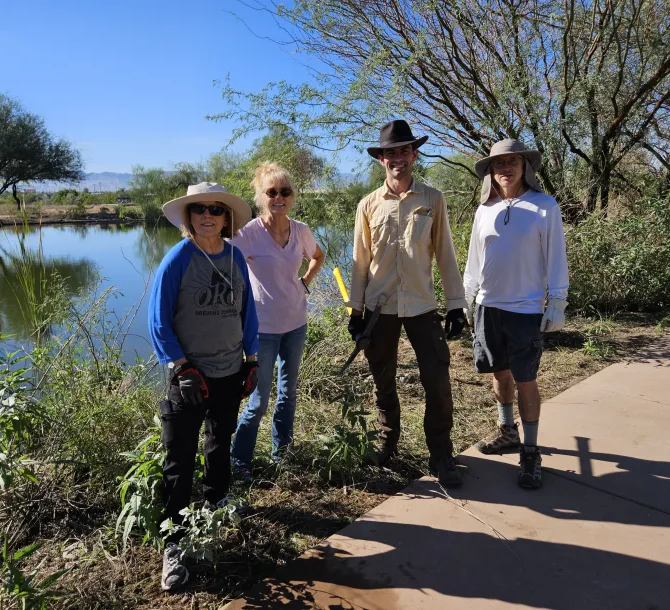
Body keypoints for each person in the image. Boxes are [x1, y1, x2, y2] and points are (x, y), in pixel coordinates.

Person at [148, 182, 260, 591]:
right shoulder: (178, 258)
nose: (208, 215)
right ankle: (173, 544)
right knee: (178, 457)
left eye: (216, 209)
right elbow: (158, 320)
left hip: (231, 370)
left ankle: (217, 502)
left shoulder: (235, 257)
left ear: (226, 217)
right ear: (189, 218)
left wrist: (252, 359)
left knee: (220, 440)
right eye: (199, 210)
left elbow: (248, 312)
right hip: (189, 376)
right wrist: (181, 367)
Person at [348, 119, 467, 488]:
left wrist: (456, 304)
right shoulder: (368, 205)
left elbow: (445, 254)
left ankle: (441, 454)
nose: (397, 158)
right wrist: (355, 311)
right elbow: (360, 260)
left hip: (422, 306)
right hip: (379, 308)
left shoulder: (433, 199)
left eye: (403, 150)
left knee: (437, 380)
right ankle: (387, 442)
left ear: (414, 154)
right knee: (382, 378)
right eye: (390, 153)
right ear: (381, 159)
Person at [463, 139, 569, 489]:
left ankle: (531, 450)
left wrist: (557, 301)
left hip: (525, 309)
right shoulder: (484, 210)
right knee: (498, 371)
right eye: (498, 164)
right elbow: (475, 261)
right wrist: (467, 297)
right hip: (489, 306)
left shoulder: (544, 206)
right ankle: (507, 432)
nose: (505, 169)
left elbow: (556, 257)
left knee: (526, 379)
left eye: (512, 162)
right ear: (490, 172)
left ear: (525, 167)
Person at [230, 163, 325, 480]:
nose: (279, 197)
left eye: (285, 191)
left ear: (292, 196)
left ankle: (280, 454)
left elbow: (317, 256)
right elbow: (226, 264)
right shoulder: (249, 234)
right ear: (261, 196)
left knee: (288, 394)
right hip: (263, 331)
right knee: (258, 399)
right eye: (272, 192)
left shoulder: (300, 230)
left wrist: (305, 282)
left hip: (296, 324)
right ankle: (239, 461)